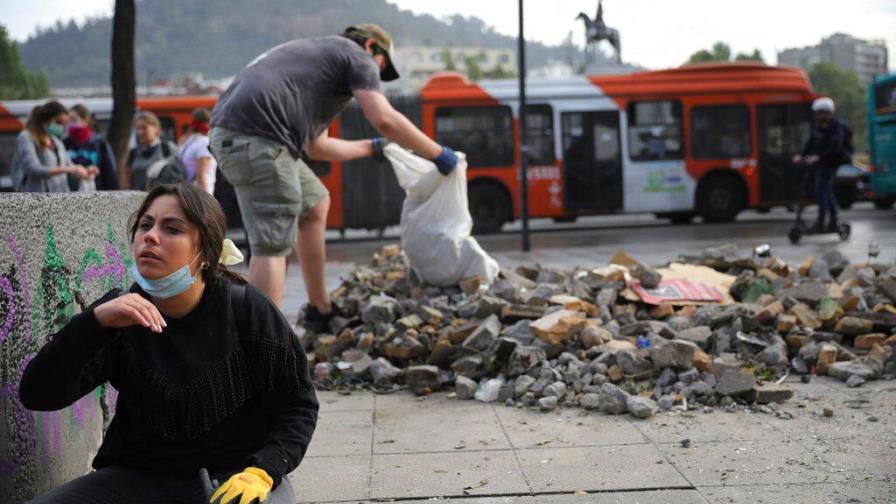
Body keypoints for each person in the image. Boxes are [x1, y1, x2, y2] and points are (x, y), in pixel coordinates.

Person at [19, 183, 318, 504]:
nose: (150, 236)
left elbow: (298, 406)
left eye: (172, 228)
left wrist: (263, 471)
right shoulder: (118, 313)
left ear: (205, 251)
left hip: (236, 477)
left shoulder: (245, 308)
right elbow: (39, 395)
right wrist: (92, 324)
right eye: (145, 225)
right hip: (137, 479)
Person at [210, 23, 461, 331]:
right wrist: (437, 153)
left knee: (315, 203)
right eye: (381, 68)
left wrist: (372, 147)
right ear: (371, 47)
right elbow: (384, 118)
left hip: (247, 136)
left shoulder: (318, 64)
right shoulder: (356, 55)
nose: (376, 77)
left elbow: (317, 148)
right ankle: (264, 343)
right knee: (272, 244)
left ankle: (320, 309)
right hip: (257, 140)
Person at [11, 101, 95, 192]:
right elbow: (33, 168)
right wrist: (68, 169)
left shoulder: (56, 141)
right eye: (59, 122)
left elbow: (69, 166)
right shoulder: (26, 137)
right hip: (36, 197)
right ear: (46, 119)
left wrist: (84, 171)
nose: (62, 127)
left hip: (59, 197)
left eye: (64, 123)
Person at [793, 97, 847, 233]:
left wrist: (819, 157)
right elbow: (811, 143)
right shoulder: (819, 127)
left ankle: (822, 222)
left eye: (820, 112)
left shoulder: (836, 127)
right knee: (826, 193)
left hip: (829, 165)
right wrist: (801, 155)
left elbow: (836, 147)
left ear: (828, 112)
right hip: (819, 165)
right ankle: (833, 221)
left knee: (821, 192)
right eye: (816, 113)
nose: (817, 115)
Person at [65, 103, 119, 191]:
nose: (70, 124)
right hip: (70, 193)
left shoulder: (99, 143)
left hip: (96, 192)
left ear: (85, 120)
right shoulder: (65, 144)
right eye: (68, 121)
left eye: (74, 120)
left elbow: (109, 173)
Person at [127, 111, 178, 190]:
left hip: (162, 196)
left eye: (144, 128)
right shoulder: (133, 152)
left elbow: (178, 174)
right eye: (138, 128)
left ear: (156, 128)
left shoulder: (167, 148)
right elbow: (128, 180)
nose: (140, 132)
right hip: (139, 197)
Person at [178, 107, 217, 194]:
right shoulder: (204, 143)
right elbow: (201, 176)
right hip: (199, 194)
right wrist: (207, 202)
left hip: (187, 191)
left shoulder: (186, 140)